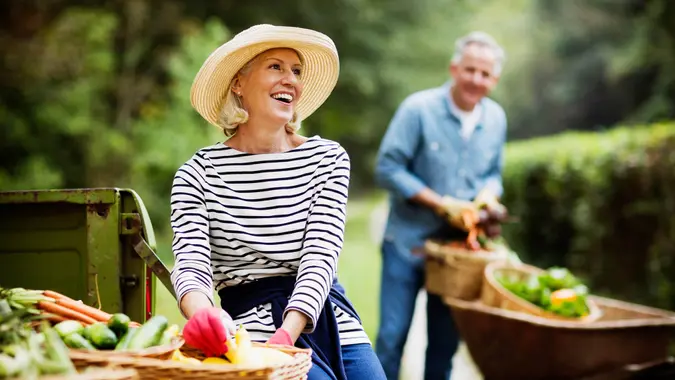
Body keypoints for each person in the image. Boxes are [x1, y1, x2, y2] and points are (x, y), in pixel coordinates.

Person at [169, 24, 386, 379]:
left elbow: (321, 255)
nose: (291, 80)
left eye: (297, 71)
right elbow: (191, 264)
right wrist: (203, 315)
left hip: (325, 317)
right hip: (249, 334)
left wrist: (290, 331)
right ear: (238, 84)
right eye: (276, 67)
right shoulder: (198, 174)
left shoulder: (327, 159)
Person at [373, 31, 509, 380]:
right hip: (406, 244)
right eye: (470, 70)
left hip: (456, 255)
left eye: (485, 74)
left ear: (494, 80)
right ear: (454, 68)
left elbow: (493, 174)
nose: (476, 80)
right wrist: (440, 203)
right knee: (391, 339)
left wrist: (489, 196)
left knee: (444, 347)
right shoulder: (417, 109)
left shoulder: (496, 120)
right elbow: (388, 168)